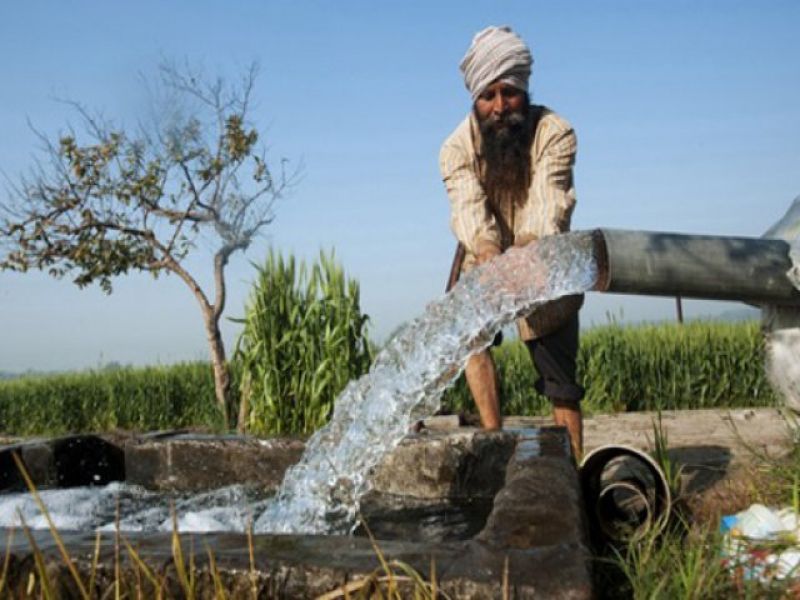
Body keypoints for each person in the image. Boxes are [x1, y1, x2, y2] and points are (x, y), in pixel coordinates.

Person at [439, 25, 585, 458]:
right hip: (485, 258)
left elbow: (550, 200)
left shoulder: (555, 132)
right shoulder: (456, 148)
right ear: (475, 99)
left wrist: (529, 247)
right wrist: (487, 251)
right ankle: (494, 442)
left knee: (561, 381)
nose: (500, 107)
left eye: (509, 93)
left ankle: (574, 468)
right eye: (488, 96)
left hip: (543, 258)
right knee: (472, 341)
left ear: (524, 90)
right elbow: (467, 207)